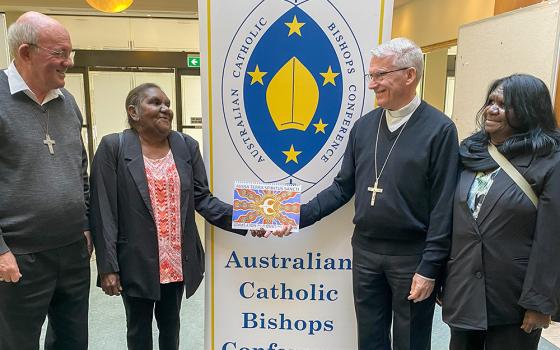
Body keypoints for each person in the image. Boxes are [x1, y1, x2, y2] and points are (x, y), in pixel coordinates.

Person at [292, 37, 459, 350]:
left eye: (380, 76)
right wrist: (296, 215)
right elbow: (343, 187)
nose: (372, 85)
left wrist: (430, 268)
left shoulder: (440, 130)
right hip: (366, 252)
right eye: (372, 76)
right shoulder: (363, 127)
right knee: (369, 339)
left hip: (412, 256)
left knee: (411, 342)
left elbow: (443, 207)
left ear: (409, 75)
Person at [89, 83, 245, 350]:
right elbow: (103, 210)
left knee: (171, 328)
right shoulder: (113, 147)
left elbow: (203, 199)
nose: (166, 109)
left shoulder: (185, 146)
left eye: (168, 103)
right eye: (156, 102)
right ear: (133, 112)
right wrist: (108, 266)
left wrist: (249, 217)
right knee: (138, 331)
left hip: (177, 261)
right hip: (135, 261)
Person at [442, 74, 560, 350]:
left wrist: (539, 302)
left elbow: (552, 239)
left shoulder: (549, 161)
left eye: (504, 104)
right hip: (464, 291)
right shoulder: (469, 153)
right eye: (490, 101)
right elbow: (452, 221)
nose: (492, 109)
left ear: (529, 111)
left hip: (513, 298)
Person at [0, 12, 92, 350]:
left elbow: (78, 168)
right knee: (16, 343)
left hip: (71, 252)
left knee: (72, 341)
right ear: (25, 52)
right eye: (59, 53)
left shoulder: (68, 103)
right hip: (18, 255)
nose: (68, 62)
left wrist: (84, 225)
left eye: (70, 53)